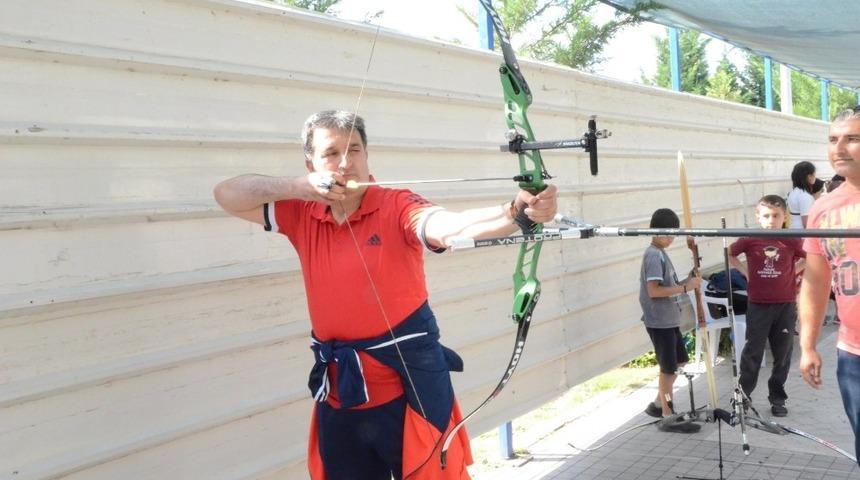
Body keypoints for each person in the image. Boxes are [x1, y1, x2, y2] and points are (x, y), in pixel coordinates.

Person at [213, 110, 558, 480]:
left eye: (355, 150)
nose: (346, 163)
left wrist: (516, 211)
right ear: (311, 162)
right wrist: (299, 186)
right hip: (342, 389)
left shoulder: (396, 204)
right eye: (331, 153)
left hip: (408, 388)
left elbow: (448, 226)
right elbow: (226, 194)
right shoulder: (302, 212)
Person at [799, 106, 860, 464]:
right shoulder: (823, 208)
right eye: (833, 139)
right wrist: (807, 345)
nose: (839, 148)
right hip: (853, 354)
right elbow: (815, 281)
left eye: (853, 139)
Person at [728, 195, 805, 417]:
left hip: (785, 305)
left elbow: (810, 257)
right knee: (752, 351)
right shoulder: (751, 239)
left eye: (776, 216)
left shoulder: (791, 240)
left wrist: (792, 272)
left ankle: (777, 398)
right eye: (766, 216)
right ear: (758, 217)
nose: (771, 220)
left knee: (783, 354)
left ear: (784, 217)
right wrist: (746, 272)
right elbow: (730, 253)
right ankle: (743, 396)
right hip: (758, 305)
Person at [639, 208, 702, 432]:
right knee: (668, 369)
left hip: (669, 319)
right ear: (655, 231)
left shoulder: (661, 253)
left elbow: (669, 287)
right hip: (659, 320)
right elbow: (654, 291)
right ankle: (667, 414)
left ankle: (658, 404)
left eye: (673, 234)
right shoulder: (653, 255)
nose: (671, 238)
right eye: (668, 233)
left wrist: (689, 279)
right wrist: (686, 287)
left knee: (679, 362)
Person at [786, 161, 818, 228]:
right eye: (814, 174)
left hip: (793, 229)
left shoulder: (794, 192)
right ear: (809, 176)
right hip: (801, 233)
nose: (815, 177)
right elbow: (807, 223)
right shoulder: (805, 196)